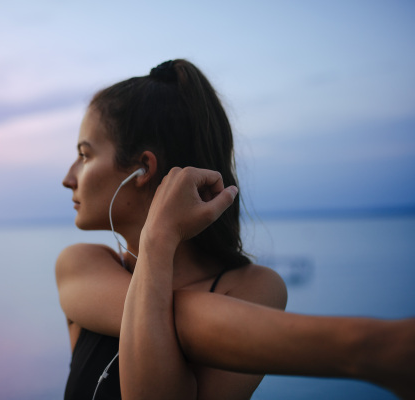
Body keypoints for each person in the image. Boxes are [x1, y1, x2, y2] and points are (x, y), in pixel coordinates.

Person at [56, 59, 414, 400]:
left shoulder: (254, 287)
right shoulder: (81, 265)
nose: (68, 178)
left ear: (142, 168)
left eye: (85, 155)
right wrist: (158, 238)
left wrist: (157, 240)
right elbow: (178, 318)